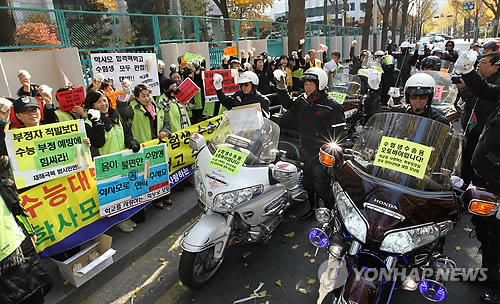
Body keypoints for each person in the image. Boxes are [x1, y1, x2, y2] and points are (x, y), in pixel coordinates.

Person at [454, 50, 500, 304]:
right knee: (485, 229)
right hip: (486, 176)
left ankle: (496, 286)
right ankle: (486, 272)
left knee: (497, 234)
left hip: (498, 179)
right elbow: (486, 92)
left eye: (484, 63)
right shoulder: (496, 87)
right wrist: (469, 72)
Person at [274, 67, 345, 219]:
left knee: (323, 187)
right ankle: (313, 210)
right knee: (308, 184)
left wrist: (332, 156)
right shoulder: (302, 101)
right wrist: (281, 87)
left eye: (311, 84)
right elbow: (288, 103)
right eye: (305, 84)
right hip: (305, 150)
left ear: (320, 84)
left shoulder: (332, 106)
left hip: (323, 155)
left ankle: (330, 215)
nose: (307, 87)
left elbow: (340, 135)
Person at [84, 90, 141, 232]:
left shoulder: (116, 116)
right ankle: (118, 221)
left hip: (122, 161)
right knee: (113, 195)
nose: (103, 104)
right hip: (106, 165)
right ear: (91, 106)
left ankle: (126, 217)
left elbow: (126, 134)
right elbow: (98, 142)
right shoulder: (88, 122)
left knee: (125, 191)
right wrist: (97, 121)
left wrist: (131, 142)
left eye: (104, 100)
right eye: (98, 102)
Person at [117, 83, 171, 210]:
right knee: (146, 175)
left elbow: (166, 122)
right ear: (136, 97)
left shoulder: (157, 107)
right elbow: (122, 109)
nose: (147, 98)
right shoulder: (132, 109)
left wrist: (165, 131)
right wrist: (124, 93)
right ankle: (154, 200)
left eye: (149, 95)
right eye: (143, 96)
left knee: (160, 172)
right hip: (143, 148)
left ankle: (164, 195)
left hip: (158, 147)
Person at [455, 52, 500, 186]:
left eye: (484, 62)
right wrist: (468, 72)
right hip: (485, 156)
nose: (479, 65)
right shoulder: (493, 85)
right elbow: (484, 90)